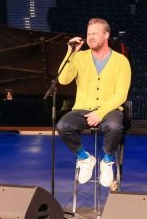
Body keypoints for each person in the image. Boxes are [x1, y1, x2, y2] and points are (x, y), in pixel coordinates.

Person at [56, 18, 132, 190]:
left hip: (110, 108)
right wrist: (70, 52)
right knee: (63, 125)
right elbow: (63, 79)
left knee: (114, 126)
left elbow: (121, 94)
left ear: (106, 35)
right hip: (83, 107)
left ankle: (107, 160)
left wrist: (100, 112)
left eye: (95, 33)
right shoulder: (79, 57)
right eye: (88, 34)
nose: (90, 37)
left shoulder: (121, 61)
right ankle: (84, 158)